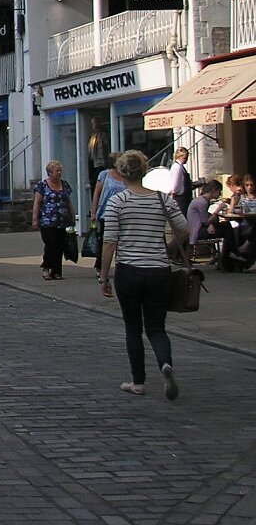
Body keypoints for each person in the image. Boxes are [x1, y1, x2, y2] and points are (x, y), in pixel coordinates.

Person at [100, 149, 188, 400]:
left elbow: (110, 242)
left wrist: (103, 276)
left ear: (121, 173)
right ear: (145, 170)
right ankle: (164, 363)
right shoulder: (162, 199)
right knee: (157, 328)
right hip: (158, 271)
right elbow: (184, 229)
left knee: (132, 328)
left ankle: (138, 381)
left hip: (129, 270)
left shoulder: (118, 201)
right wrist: (168, 248)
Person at [32, 160, 76, 280]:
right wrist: (35, 219)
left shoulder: (64, 184)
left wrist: (73, 215)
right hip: (47, 220)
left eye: (60, 170)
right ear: (50, 173)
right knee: (51, 243)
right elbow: (37, 203)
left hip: (62, 220)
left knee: (60, 245)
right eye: (57, 171)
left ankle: (56, 271)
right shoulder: (42, 186)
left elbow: (68, 201)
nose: (59, 173)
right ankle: (46, 266)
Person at [90, 153, 127, 276]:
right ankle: (100, 266)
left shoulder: (126, 175)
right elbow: (97, 194)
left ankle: (121, 266)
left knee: (122, 242)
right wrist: (93, 212)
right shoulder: (104, 174)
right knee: (106, 241)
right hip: (106, 213)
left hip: (123, 213)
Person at [168, 147, 197, 213]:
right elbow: (175, 185)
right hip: (180, 199)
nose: (187, 159)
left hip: (184, 197)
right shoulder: (177, 167)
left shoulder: (181, 167)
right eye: (185, 157)